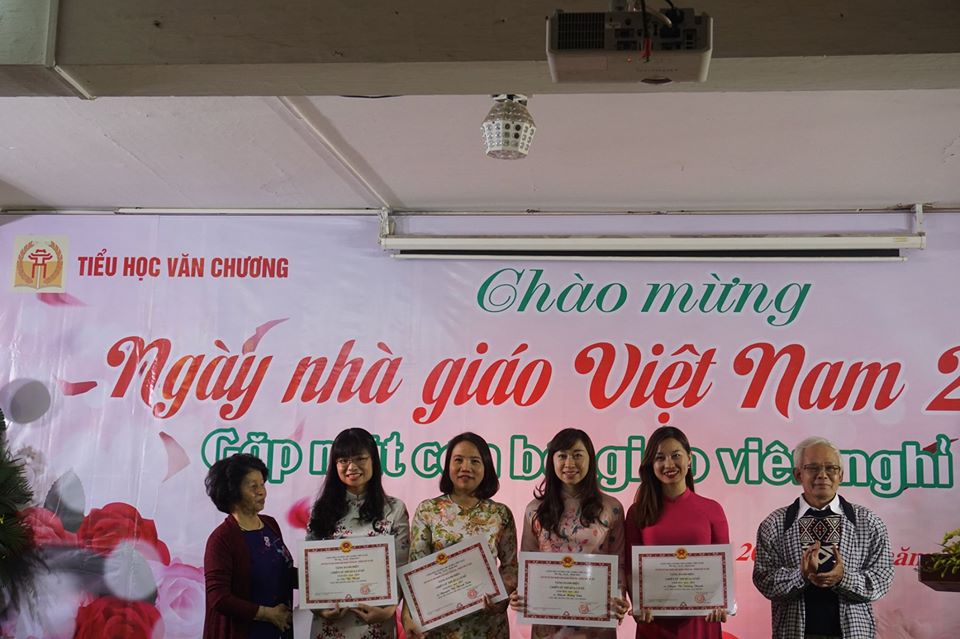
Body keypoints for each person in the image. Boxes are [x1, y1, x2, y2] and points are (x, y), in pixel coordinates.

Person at [753, 436, 893, 638]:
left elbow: (882, 579)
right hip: (794, 632)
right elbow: (764, 580)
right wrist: (800, 576)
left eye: (831, 468)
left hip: (854, 633)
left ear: (841, 475)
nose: (822, 475)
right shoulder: (774, 524)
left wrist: (843, 578)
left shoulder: (868, 522)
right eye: (813, 468)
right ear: (798, 474)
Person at [510, 428, 630, 639]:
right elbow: (528, 563)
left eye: (577, 455)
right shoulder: (535, 510)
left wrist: (619, 598)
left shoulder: (612, 508)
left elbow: (619, 563)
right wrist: (522, 594)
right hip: (548, 625)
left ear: (590, 459)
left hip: (595, 623)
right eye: (562, 456)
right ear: (552, 461)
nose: (569, 463)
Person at [402, 432, 518, 639]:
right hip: (440, 625)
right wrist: (408, 614)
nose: (466, 467)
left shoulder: (500, 514)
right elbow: (415, 567)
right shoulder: (428, 510)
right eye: (458, 460)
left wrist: (499, 597)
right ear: (448, 466)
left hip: (488, 624)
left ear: (486, 467)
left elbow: (511, 567)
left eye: (475, 461)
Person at [624, 426, 729, 639]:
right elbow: (629, 567)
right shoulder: (637, 512)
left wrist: (721, 603)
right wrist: (638, 604)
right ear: (651, 465)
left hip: (701, 622)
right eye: (660, 458)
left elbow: (721, 568)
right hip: (654, 624)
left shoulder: (712, 509)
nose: (669, 464)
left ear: (689, 458)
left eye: (676, 455)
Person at [306, 428, 410, 639]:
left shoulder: (394, 509)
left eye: (360, 458)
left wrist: (389, 610)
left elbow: (402, 566)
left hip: (376, 621)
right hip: (330, 623)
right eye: (343, 460)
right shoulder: (321, 509)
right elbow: (311, 567)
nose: (351, 467)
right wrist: (319, 608)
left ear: (373, 461)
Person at [203, 453, 297, 639]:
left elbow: (282, 573)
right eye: (253, 486)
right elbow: (219, 598)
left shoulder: (270, 524)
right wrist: (267, 614)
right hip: (245, 632)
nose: (262, 492)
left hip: (279, 629)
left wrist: (324, 577)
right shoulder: (221, 539)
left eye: (262, 484)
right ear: (233, 491)